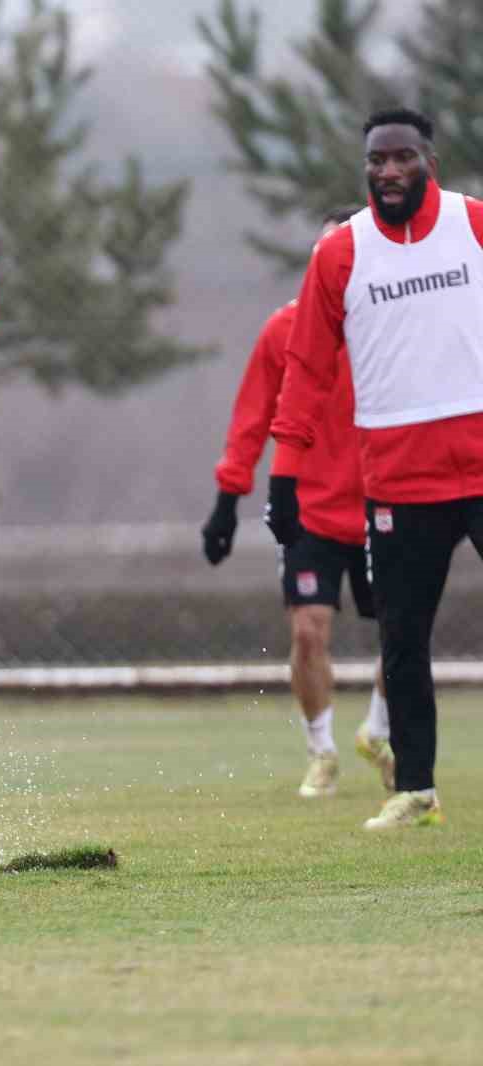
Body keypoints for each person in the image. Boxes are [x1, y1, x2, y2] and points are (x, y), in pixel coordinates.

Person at [271, 105, 483, 830]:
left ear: (429, 158)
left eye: (402, 156)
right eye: (376, 160)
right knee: (403, 635)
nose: (389, 171)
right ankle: (416, 788)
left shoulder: (473, 225)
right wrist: (283, 473)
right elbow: (304, 367)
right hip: (397, 478)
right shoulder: (341, 253)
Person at [202, 207, 395, 800]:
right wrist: (227, 501)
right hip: (309, 512)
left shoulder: (393, 326)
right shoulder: (283, 332)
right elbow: (251, 421)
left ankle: (380, 733)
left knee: (402, 630)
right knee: (309, 632)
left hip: (385, 504)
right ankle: (322, 751)